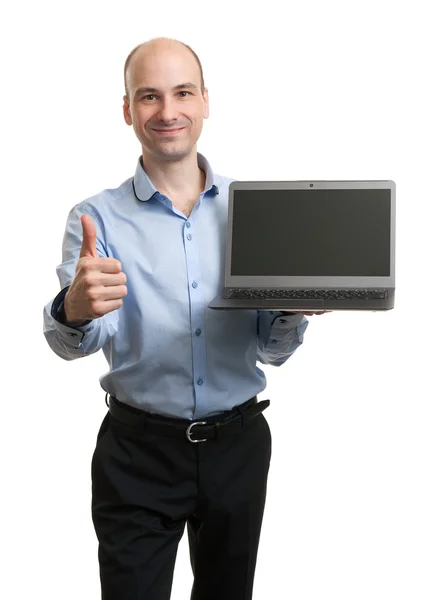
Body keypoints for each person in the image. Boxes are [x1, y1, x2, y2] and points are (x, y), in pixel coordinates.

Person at [43, 37, 324, 600]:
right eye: (148, 96)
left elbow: (271, 348)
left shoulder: (255, 210)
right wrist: (73, 310)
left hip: (238, 446)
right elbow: (75, 341)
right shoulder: (96, 218)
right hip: (136, 453)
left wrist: (291, 309)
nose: (167, 112)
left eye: (182, 93)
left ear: (204, 102)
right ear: (127, 110)